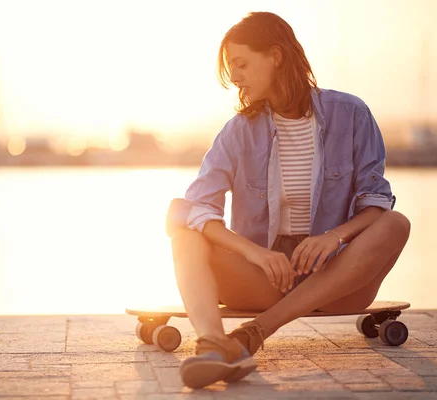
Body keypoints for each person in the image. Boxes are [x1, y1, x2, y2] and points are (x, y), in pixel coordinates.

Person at [166, 11, 411, 389]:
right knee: (184, 229)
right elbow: (197, 208)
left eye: (242, 64)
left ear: (276, 56)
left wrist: (335, 237)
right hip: (267, 279)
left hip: (339, 280)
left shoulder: (351, 114)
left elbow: (376, 201)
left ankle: (253, 334)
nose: (235, 77)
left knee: (396, 223)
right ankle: (214, 346)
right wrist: (254, 253)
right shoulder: (237, 133)